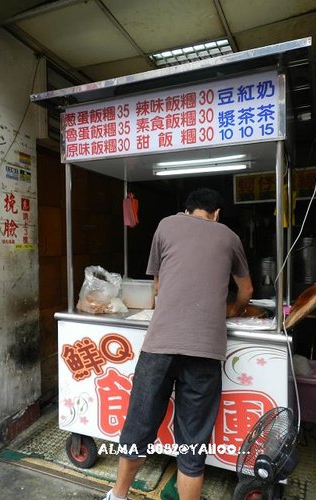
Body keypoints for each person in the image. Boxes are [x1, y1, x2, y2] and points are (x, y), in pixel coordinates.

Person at [103, 188, 253, 500]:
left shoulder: (166, 225)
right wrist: (232, 311)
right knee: (192, 443)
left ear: (186, 211)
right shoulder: (229, 236)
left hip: (160, 344)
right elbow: (246, 290)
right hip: (205, 349)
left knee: (139, 425)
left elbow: (157, 285)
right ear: (216, 214)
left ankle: (118, 495)